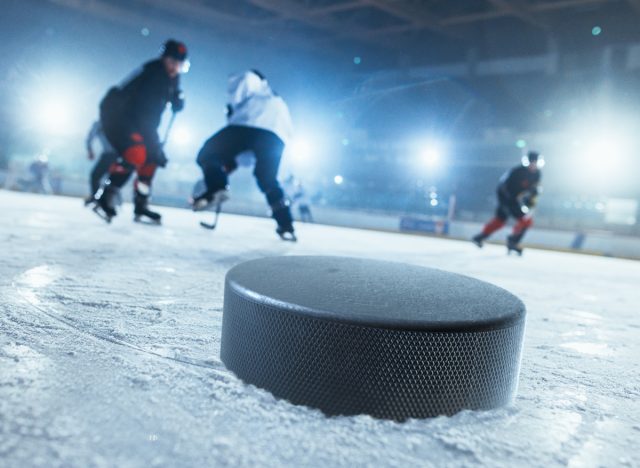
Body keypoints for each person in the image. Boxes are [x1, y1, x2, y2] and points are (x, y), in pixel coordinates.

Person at [193, 70, 296, 240]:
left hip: (246, 125)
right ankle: (286, 224)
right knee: (267, 179)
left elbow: (247, 79)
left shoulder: (255, 82)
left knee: (207, 153)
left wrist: (232, 109)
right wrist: (229, 163)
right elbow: (247, 158)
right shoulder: (278, 102)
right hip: (276, 137)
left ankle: (217, 187)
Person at [92, 39, 187, 223]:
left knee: (151, 159)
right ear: (163, 59)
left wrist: (177, 100)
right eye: (172, 62)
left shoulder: (172, 78)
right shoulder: (154, 75)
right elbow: (145, 116)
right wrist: (154, 145)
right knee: (136, 154)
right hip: (119, 119)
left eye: (180, 64)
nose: (175, 67)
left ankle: (141, 205)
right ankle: (106, 197)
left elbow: (172, 97)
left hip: (140, 122)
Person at [472, 151, 543, 255]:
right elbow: (502, 186)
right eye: (532, 162)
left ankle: (479, 237)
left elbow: (534, 190)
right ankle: (513, 242)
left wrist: (531, 197)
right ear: (527, 162)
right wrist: (504, 202)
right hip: (506, 199)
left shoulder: (537, 174)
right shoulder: (517, 171)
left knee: (500, 221)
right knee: (524, 220)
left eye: (535, 163)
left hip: (516, 200)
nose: (533, 165)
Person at [84, 120, 118, 205]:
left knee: (95, 176)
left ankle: (98, 198)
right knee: (109, 178)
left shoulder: (100, 123)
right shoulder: (113, 122)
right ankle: (102, 198)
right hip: (117, 154)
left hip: (111, 154)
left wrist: (89, 150)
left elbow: (89, 138)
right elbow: (89, 138)